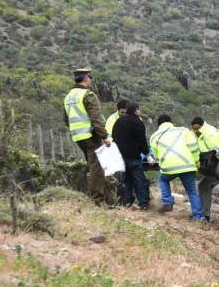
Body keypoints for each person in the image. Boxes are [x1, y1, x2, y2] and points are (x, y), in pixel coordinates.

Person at [63, 67, 111, 205]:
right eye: (89, 78)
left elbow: (66, 120)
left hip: (78, 137)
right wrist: (104, 136)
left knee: (92, 166)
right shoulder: (88, 95)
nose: (90, 80)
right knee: (97, 167)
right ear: (86, 79)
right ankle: (97, 200)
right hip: (90, 135)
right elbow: (96, 117)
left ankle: (103, 197)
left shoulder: (69, 97)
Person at [150, 114, 205, 221]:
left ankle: (167, 201)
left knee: (162, 179)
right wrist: (195, 160)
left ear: (159, 125)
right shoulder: (183, 130)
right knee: (192, 192)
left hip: (168, 166)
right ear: (171, 122)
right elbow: (194, 146)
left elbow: (155, 155)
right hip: (187, 165)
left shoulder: (154, 136)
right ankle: (198, 217)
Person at [112, 101, 154, 210]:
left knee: (125, 180)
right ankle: (143, 204)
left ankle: (127, 202)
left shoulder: (118, 122)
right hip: (134, 157)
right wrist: (147, 155)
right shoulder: (138, 122)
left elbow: (114, 138)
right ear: (136, 110)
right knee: (139, 181)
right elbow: (142, 141)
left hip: (120, 157)